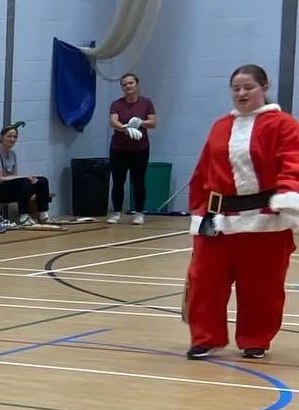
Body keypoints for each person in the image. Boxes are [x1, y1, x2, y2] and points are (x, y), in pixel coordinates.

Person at [184, 63, 299, 361]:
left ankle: (255, 339)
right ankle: (205, 338)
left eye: (249, 87)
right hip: (218, 221)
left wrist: (288, 199)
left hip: (265, 223)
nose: (242, 93)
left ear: (264, 87)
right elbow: (203, 170)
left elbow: (293, 162)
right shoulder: (221, 126)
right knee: (204, 281)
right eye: (236, 88)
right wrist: (199, 209)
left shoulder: (283, 124)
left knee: (262, 287)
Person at [108, 73, 158, 225]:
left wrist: (140, 122)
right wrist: (125, 128)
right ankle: (117, 212)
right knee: (118, 181)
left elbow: (153, 122)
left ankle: (139, 212)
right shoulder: (116, 104)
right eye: (124, 84)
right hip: (119, 149)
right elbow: (113, 121)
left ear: (137, 84)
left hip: (140, 149)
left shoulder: (146, 103)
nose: (128, 86)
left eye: (130, 83)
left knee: (138, 181)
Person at [0, 123, 52, 227]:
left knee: (42, 180)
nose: (12, 139)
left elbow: (14, 177)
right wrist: (24, 178)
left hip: (8, 187)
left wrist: (28, 179)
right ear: (1, 137)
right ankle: (23, 217)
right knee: (25, 181)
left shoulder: (12, 153)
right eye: (9, 136)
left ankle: (43, 215)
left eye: (15, 137)